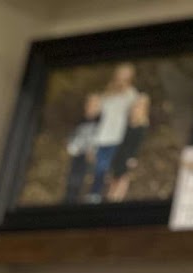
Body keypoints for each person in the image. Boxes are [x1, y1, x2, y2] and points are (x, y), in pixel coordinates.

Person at [88, 62, 140, 201]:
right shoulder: (108, 91)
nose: (122, 78)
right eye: (120, 74)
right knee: (99, 168)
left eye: (126, 75)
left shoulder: (131, 93)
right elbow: (96, 111)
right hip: (101, 136)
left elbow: (136, 115)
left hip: (117, 137)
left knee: (112, 170)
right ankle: (95, 195)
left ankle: (111, 198)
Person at [105, 92, 152, 202]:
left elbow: (137, 144)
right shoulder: (127, 120)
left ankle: (118, 197)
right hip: (119, 152)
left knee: (123, 177)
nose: (137, 108)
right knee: (114, 175)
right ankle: (110, 195)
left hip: (128, 155)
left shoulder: (143, 124)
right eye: (136, 106)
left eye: (140, 106)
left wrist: (132, 157)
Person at [64, 92, 103, 203]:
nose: (92, 108)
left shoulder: (101, 122)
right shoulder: (79, 120)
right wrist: (73, 148)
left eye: (95, 105)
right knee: (73, 181)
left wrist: (92, 152)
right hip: (78, 155)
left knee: (87, 183)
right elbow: (72, 139)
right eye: (90, 104)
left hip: (92, 157)